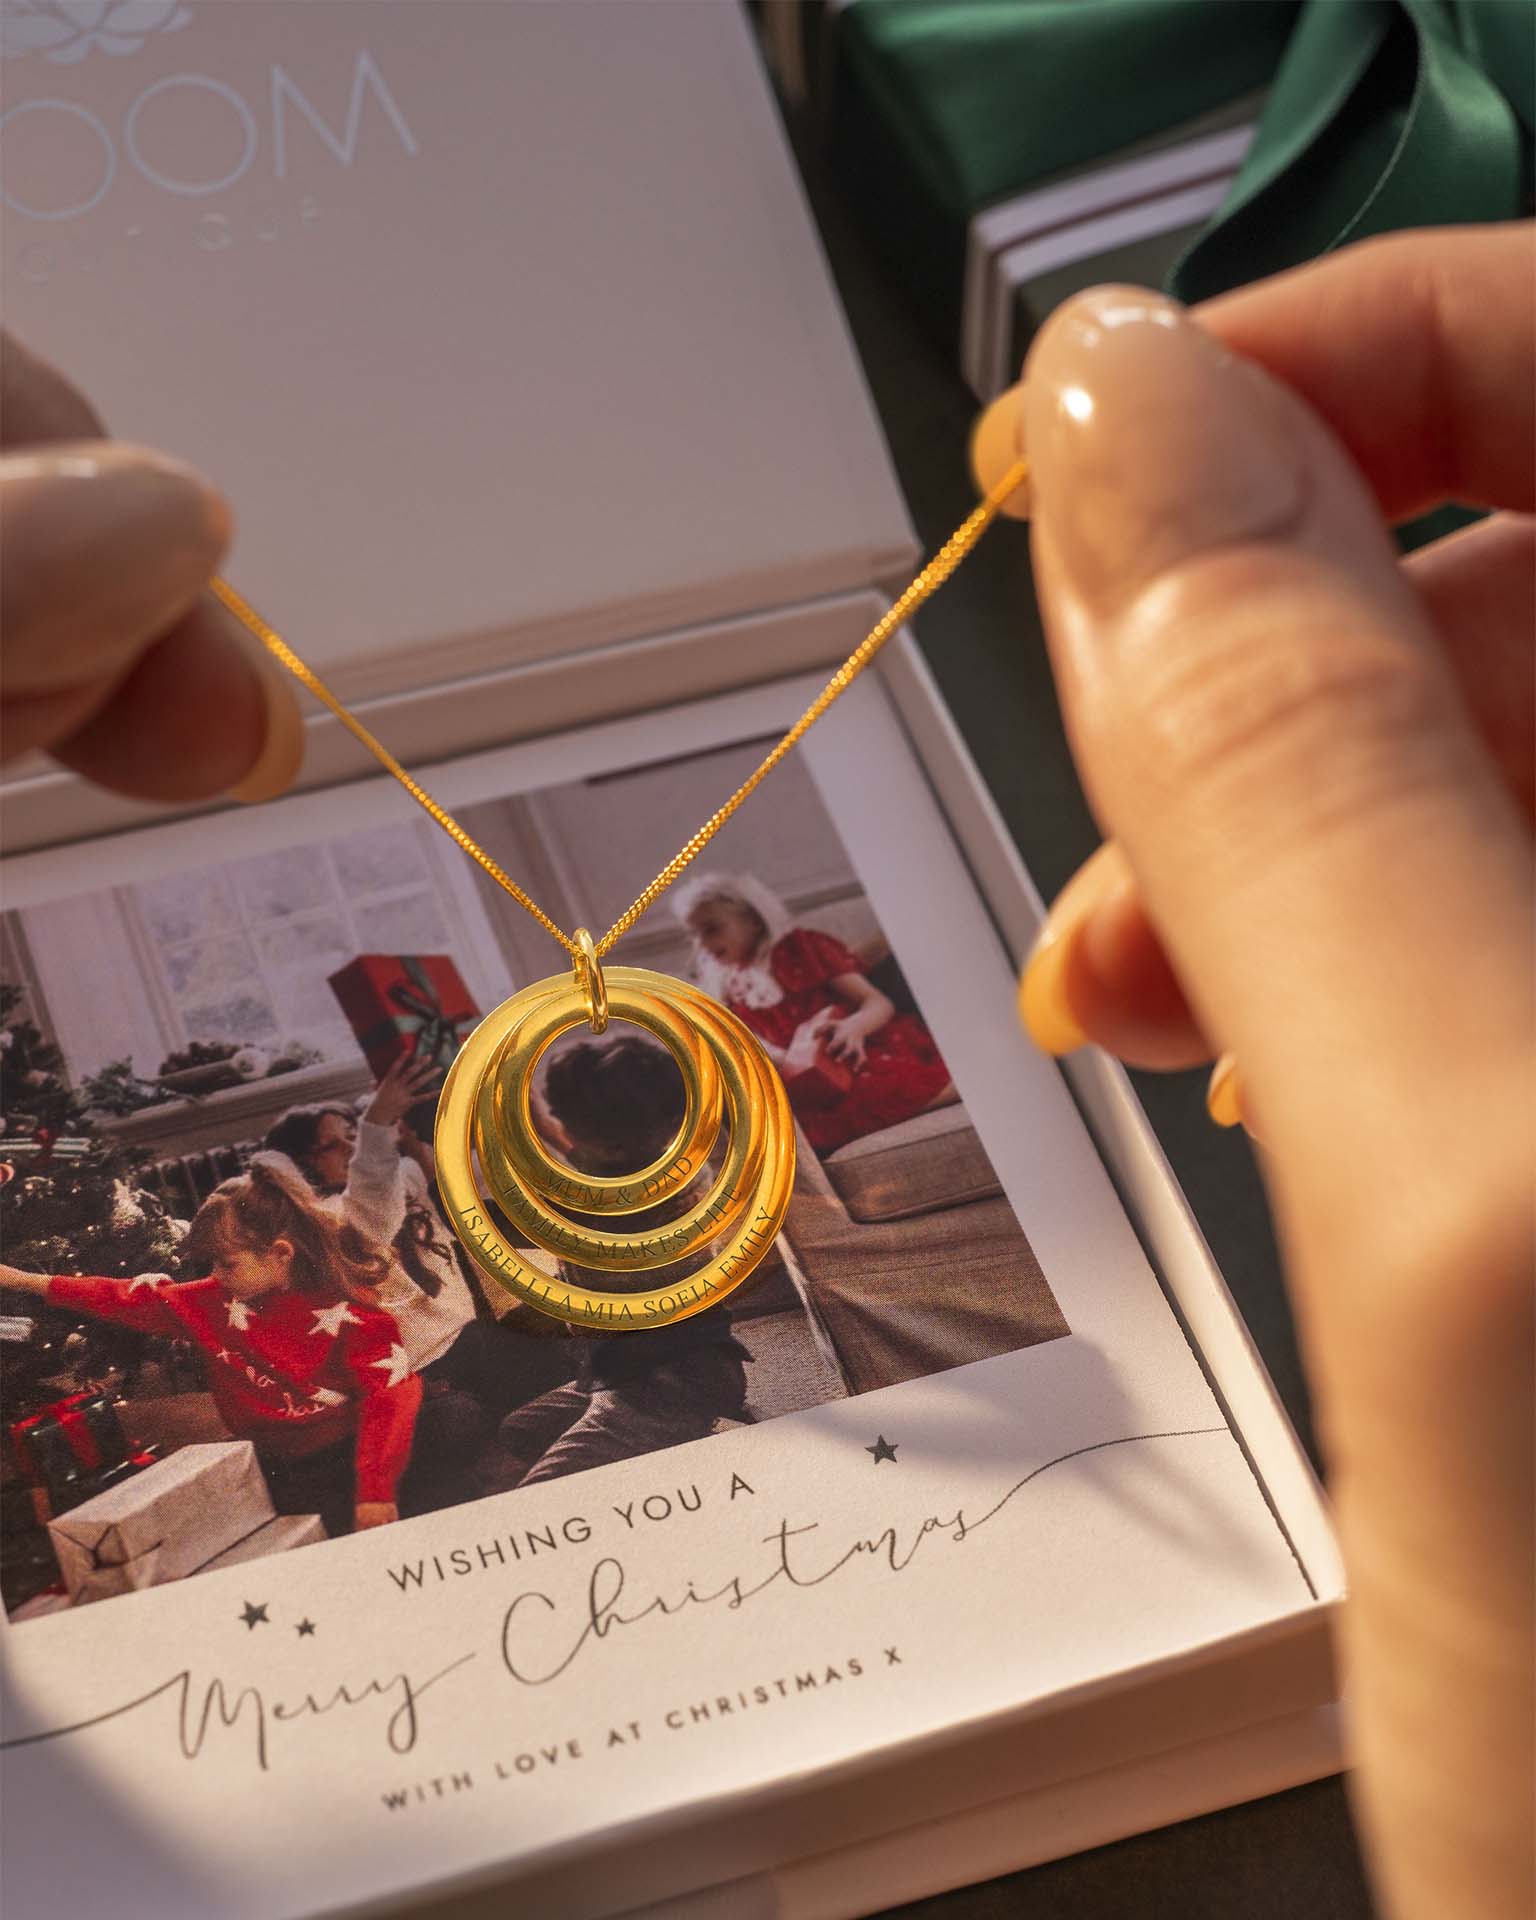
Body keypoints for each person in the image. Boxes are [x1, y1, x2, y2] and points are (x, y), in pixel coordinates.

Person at [0, 222, 1529, 1919]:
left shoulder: (517, 1194)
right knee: (511, 1424)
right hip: (592, 1356)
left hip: (623, 1370)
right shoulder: (442, 1227)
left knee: (525, 1429)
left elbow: (413, 1206)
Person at [0, 1156, 421, 1539]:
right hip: (268, 1461)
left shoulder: (354, 1317)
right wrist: (24, 1280)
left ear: (280, 1254)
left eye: (227, 1263)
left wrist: (375, 1493)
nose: (216, 1275)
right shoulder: (214, 1300)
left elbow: (388, 1404)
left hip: (349, 1462)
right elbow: (124, 1298)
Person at [483, 1032, 754, 1488]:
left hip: (667, 1385)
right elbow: (593, 1166)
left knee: (539, 1490)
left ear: (613, 1150)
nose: (562, 1128)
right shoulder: (668, 1165)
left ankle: (702, 1437)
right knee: (519, 1430)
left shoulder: (610, 1210)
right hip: (627, 1369)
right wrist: (541, 1122)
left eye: (568, 1123)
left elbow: (503, 1219)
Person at [263, 1051, 575, 1424]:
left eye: (352, 1137)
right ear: (301, 1165)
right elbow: (373, 1206)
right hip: (423, 1359)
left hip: (470, 1331)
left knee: (562, 1361)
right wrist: (375, 1125)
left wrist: (524, 1119)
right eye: (332, 1146)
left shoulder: (403, 1173)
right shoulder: (327, 1220)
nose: (350, 1149)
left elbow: (462, 1180)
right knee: (477, 1414)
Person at [674, 870, 955, 1151]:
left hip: (857, 1052)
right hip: (809, 1080)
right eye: (694, 935)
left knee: (878, 1091)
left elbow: (877, 1002)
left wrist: (855, 1027)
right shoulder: (728, 989)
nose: (702, 944)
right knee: (790, 1129)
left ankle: (949, 1091)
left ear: (753, 921)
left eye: (712, 929)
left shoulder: (801, 948)